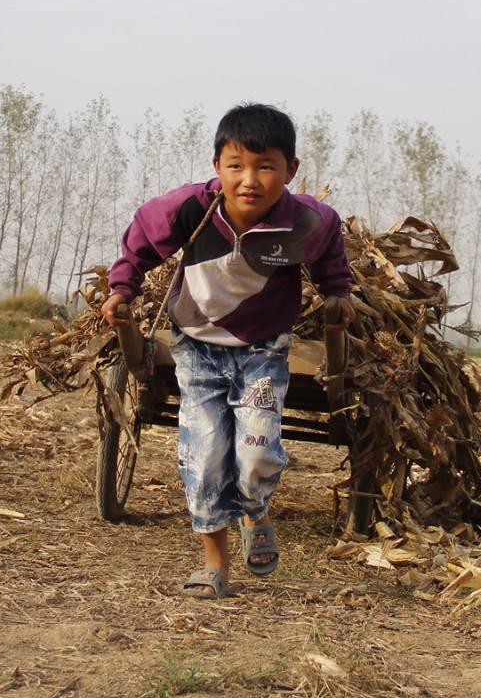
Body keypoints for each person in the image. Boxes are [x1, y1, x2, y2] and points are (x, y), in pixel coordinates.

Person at [101, 103, 354, 599]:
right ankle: (215, 564)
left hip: (264, 348)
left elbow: (330, 254)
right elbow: (141, 243)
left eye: (266, 166)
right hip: (196, 349)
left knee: (257, 453)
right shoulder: (190, 208)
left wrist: (337, 292)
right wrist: (122, 286)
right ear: (217, 166)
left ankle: (255, 509)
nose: (250, 179)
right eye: (236, 165)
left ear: (291, 170)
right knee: (205, 455)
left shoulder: (306, 221)